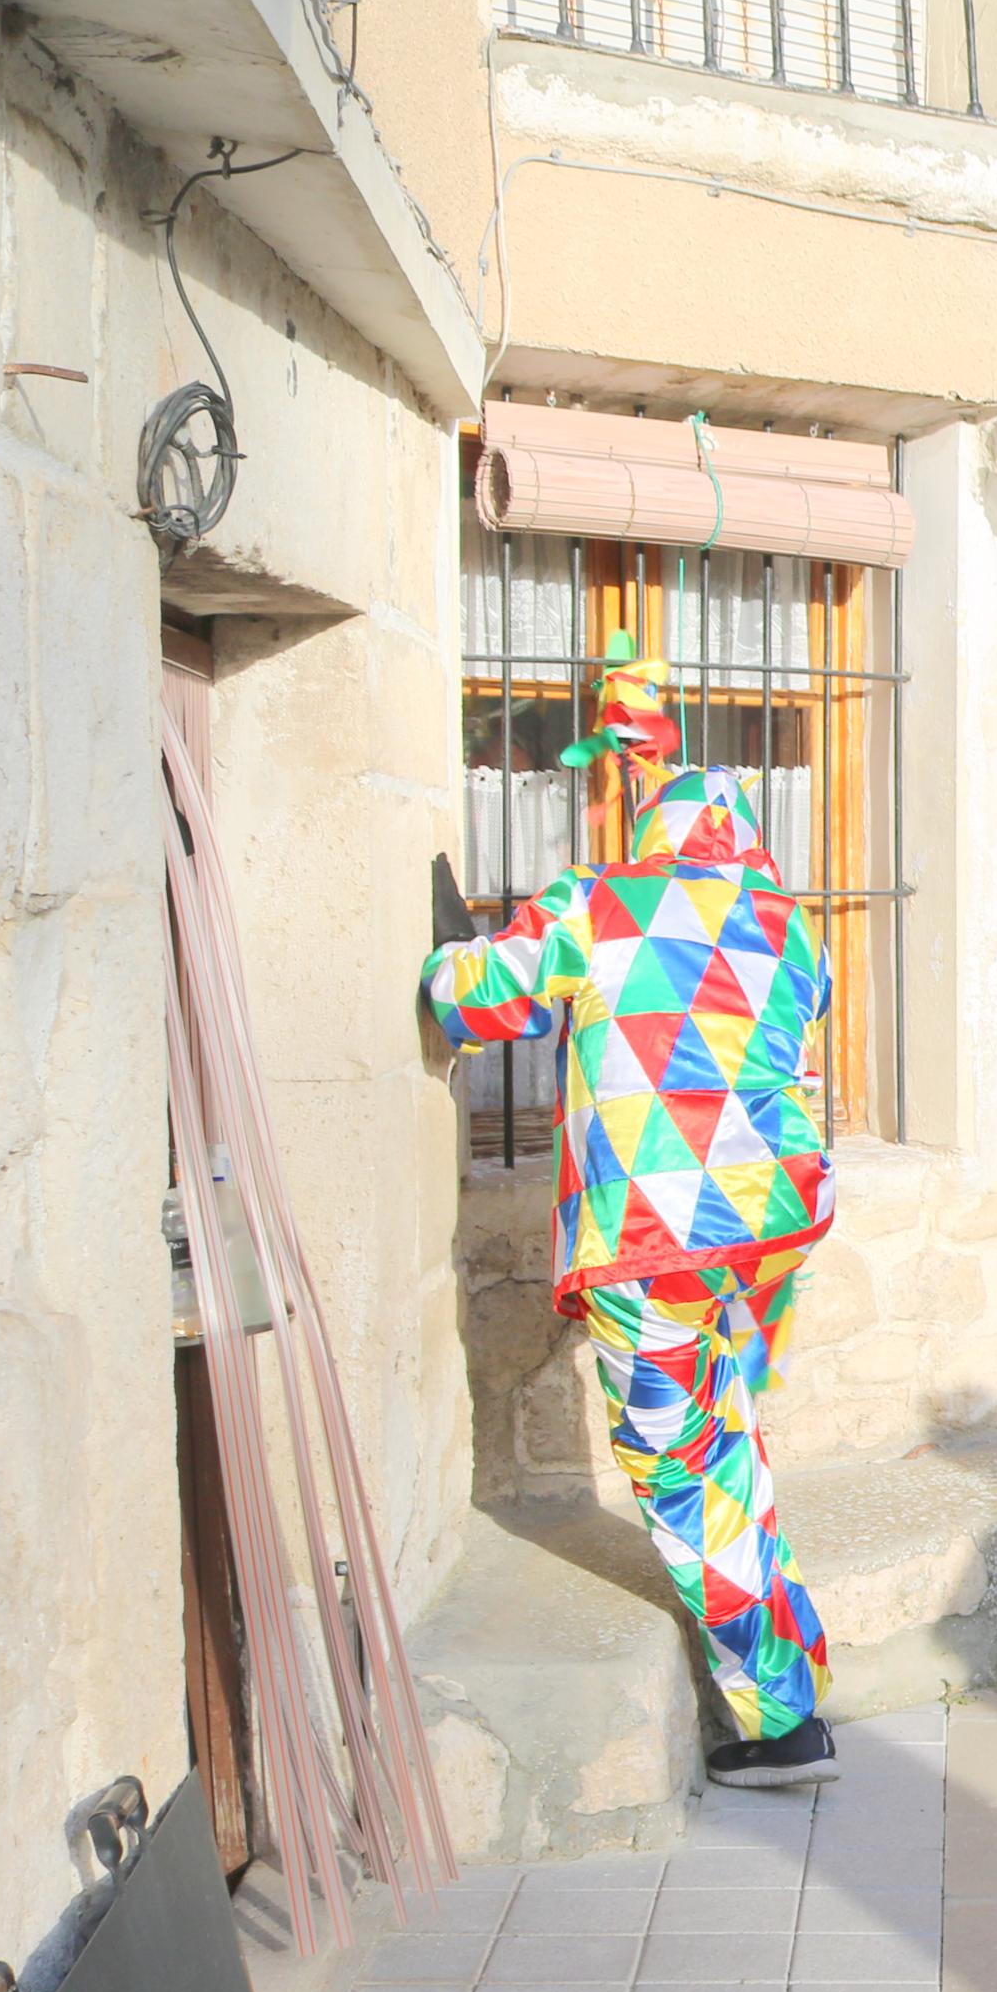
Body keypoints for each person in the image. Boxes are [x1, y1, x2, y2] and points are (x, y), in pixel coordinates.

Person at [423, 696, 849, 1792]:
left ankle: (776, 1728)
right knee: (730, 1439)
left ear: (651, 835)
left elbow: (476, 998)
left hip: (654, 1237)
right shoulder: (788, 924)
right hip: (772, 1228)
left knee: (680, 1468)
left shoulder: (603, 903)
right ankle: (797, 1670)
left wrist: (445, 947)